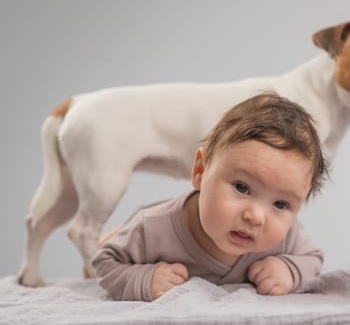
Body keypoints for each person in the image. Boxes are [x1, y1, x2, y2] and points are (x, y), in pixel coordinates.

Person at [92, 92, 328, 302]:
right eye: (242, 188)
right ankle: (116, 233)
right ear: (200, 171)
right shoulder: (152, 228)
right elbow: (104, 262)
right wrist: (144, 279)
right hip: (151, 218)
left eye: (280, 204)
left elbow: (313, 259)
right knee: (113, 243)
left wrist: (290, 270)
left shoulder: (285, 237)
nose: (256, 217)